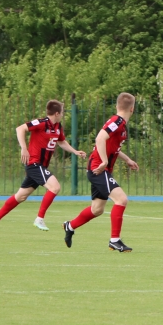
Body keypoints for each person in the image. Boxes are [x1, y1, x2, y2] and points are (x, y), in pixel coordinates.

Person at [0, 100, 87, 233]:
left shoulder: (58, 127)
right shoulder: (41, 123)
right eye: (62, 112)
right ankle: (39, 219)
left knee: (21, 196)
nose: (63, 114)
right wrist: (24, 148)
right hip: (34, 164)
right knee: (55, 187)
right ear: (57, 113)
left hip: (41, 166)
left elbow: (61, 142)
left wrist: (75, 151)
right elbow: (20, 129)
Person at [63, 93, 139, 252]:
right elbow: (100, 139)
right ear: (132, 109)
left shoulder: (120, 125)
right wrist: (104, 161)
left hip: (99, 169)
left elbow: (112, 147)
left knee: (97, 209)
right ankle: (114, 240)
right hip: (98, 169)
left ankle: (70, 226)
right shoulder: (117, 121)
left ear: (117, 106)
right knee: (121, 199)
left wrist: (127, 160)